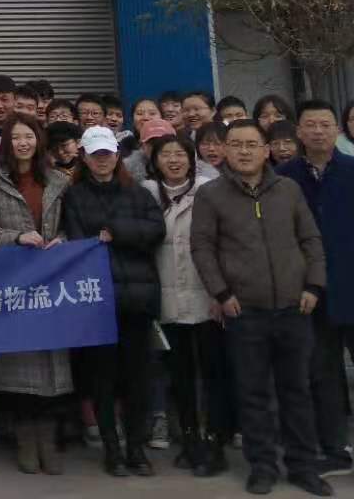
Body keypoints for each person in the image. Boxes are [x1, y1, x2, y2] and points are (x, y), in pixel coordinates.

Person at [190, 120, 332, 497]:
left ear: (266, 150)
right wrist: (222, 293)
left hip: (294, 307)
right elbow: (202, 248)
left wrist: (314, 285)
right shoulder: (211, 195)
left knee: (297, 391)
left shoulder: (288, 189)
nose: (244, 151)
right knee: (253, 394)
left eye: (252, 144)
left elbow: (310, 239)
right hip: (244, 311)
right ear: (225, 150)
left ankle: (303, 466)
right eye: (236, 144)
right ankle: (262, 466)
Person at [278, 100, 354, 491]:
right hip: (312, 296)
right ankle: (335, 451)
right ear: (299, 131)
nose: (318, 131)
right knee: (322, 377)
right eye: (310, 124)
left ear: (337, 130)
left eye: (325, 124)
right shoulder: (285, 176)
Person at [62, 126, 165, 477]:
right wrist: (108, 237)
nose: (102, 160)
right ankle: (112, 449)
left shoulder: (138, 192)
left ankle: (136, 447)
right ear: (85, 157)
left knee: (138, 379)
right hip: (98, 299)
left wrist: (116, 233)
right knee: (103, 380)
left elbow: (156, 231)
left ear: (117, 155)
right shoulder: (75, 196)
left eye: (107, 153)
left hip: (137, 298)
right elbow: (80, 239)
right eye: (96, 154)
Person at [0, 114, 73, 475]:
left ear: (38, 140)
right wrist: (16, 237)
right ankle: (26, 440)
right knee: (18, 362)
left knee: (51, 362)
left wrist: (62, 239)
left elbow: (73, 224)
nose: (23, 143)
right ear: (6, 143)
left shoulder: (60, 181)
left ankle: (48, 440)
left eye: (28, 136)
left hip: (52, 282)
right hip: (12, 284)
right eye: (15, 137)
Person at [139, 135, 231, 477]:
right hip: (167, 297)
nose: (174, 160)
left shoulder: (209, 190)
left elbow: (225, 243)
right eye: (167, 154)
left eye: (181, 154)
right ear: (156, 161)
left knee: (213, 372)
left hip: (207, 295)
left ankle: (215, 440)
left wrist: (222, 293)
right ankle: (190, 438)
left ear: (192, 160)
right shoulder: (147, 193)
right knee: (179, 374)